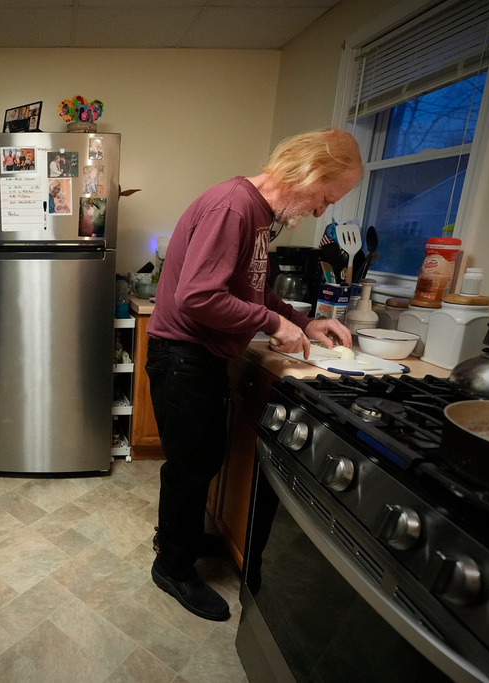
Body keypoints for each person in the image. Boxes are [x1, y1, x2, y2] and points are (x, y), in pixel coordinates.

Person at [145, 128, 361, 620]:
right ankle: (172, 568)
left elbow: (254, 292)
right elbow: (198, 297)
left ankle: (178, 536)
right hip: (183, 354)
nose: (322, 211)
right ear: (310, 174)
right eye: (326, 197)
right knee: (191, 464)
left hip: (198, 355)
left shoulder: (259, 215)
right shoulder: (234, 207)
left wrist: (304, 320)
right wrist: (273, 323)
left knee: (201, 458)